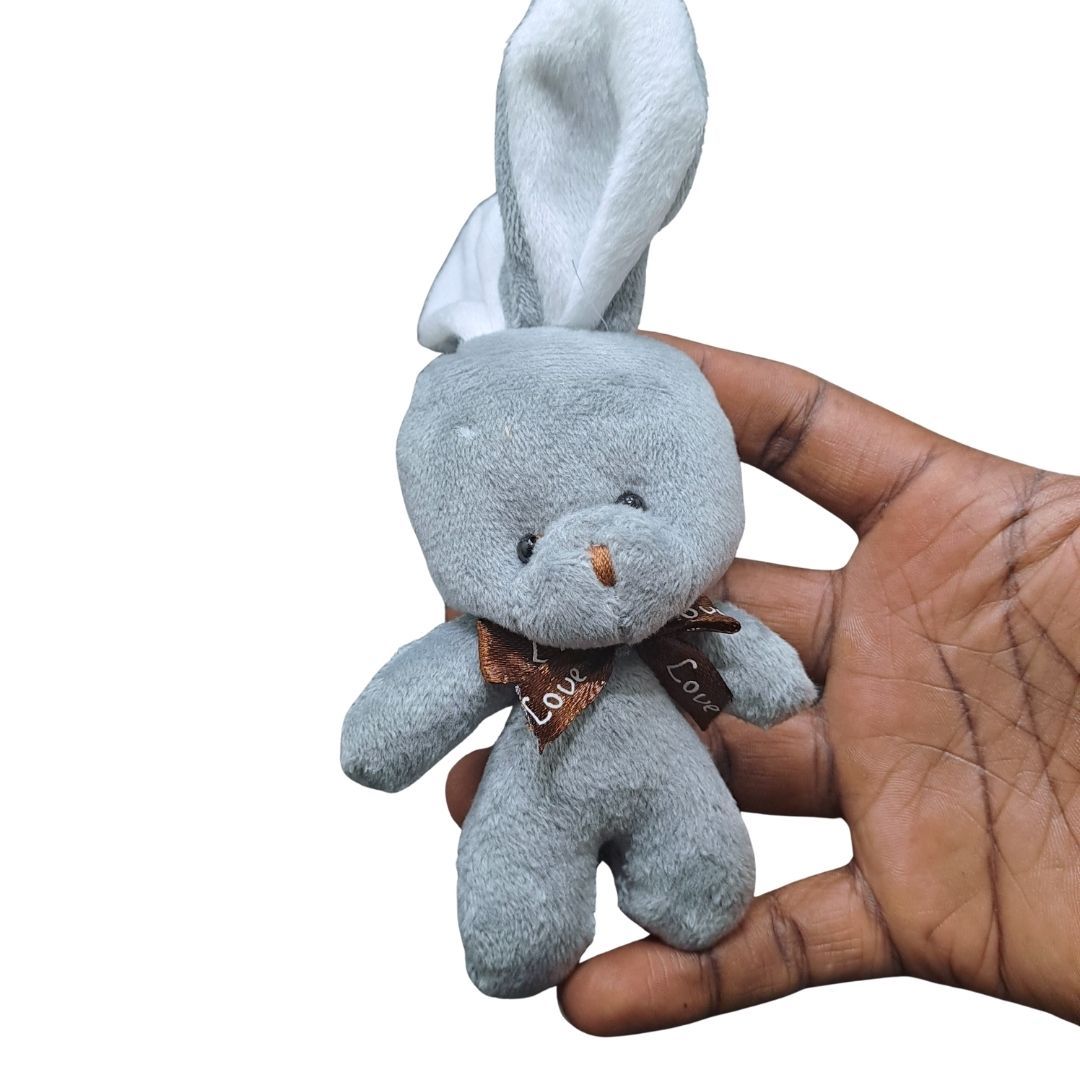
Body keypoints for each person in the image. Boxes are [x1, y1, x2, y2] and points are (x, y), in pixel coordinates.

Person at [444, 333, 1080, 1035]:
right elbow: (405, 715)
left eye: (632, 501)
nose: (600, 556)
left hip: (669, 782)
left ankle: (682, 884)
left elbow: (759, 670)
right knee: (516, 916)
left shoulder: (689, 624)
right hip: (536, 793)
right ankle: (519, 926)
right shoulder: (502, 646)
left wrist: (782, 687)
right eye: (529, 544)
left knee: (703, 885)